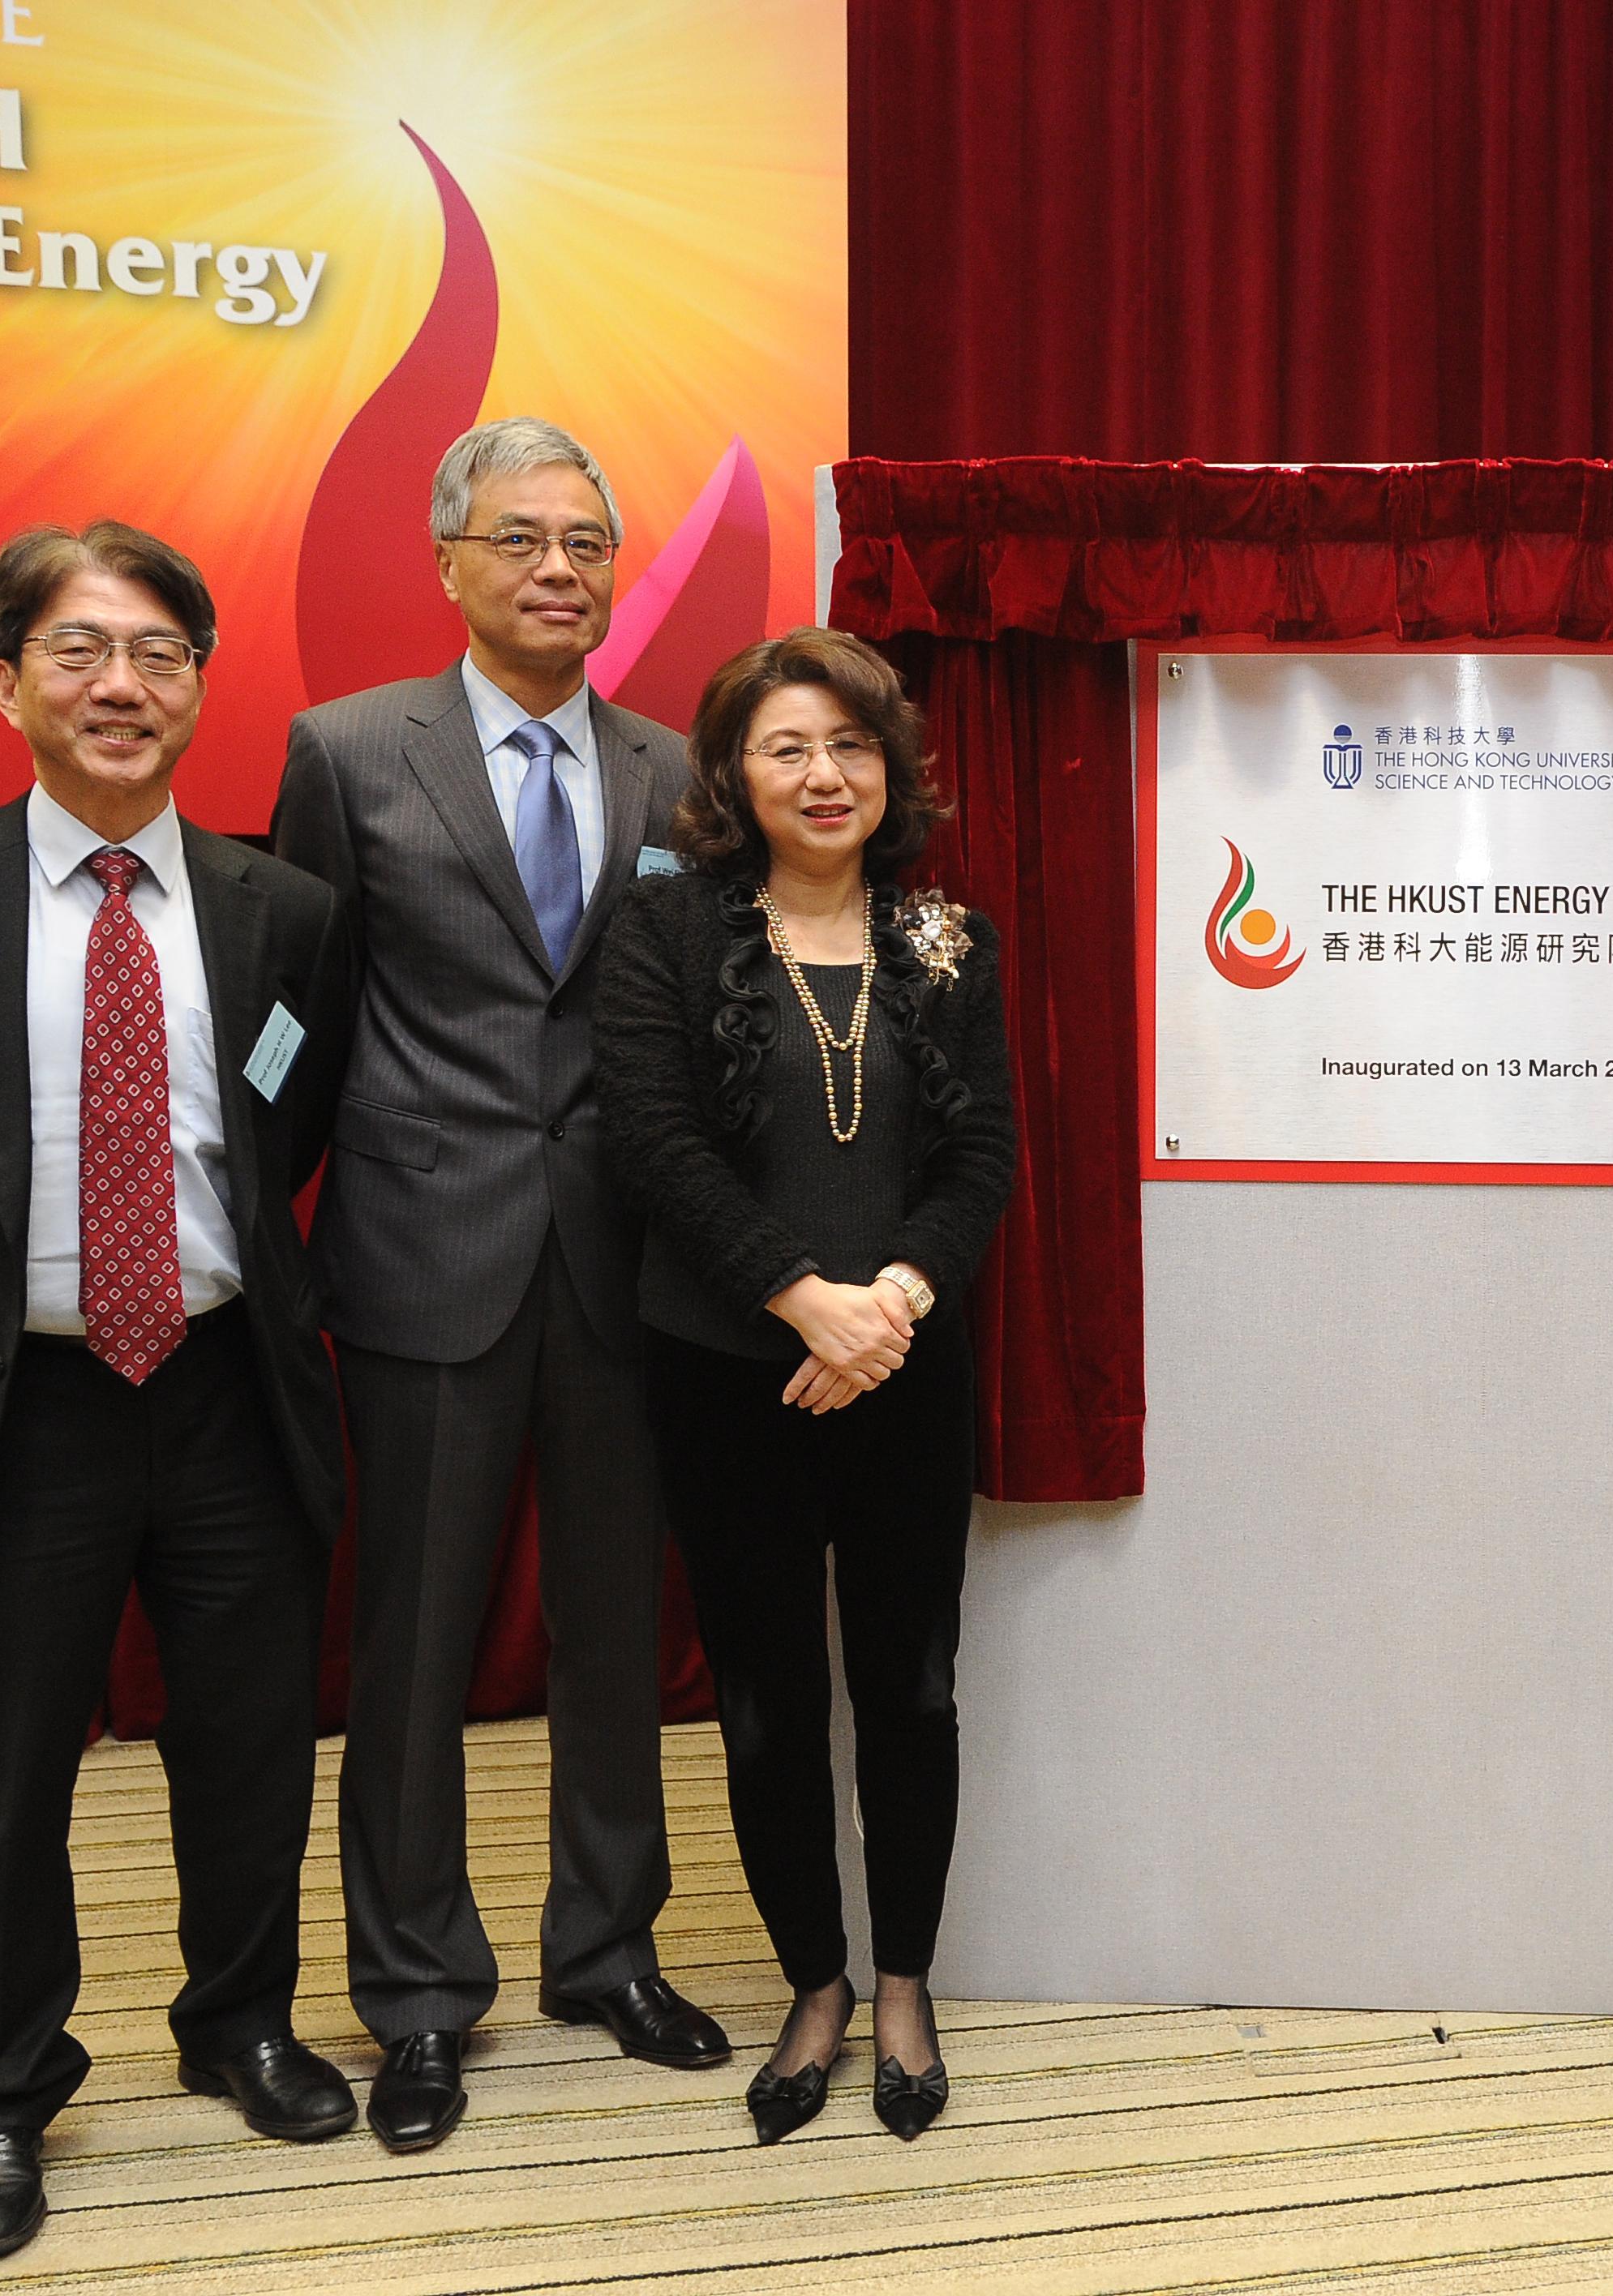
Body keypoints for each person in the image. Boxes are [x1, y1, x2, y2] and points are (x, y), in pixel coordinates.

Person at [0, 522, 356, 2264]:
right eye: (79, 651)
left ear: (201, 683)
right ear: (6, 678)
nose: (122, 686)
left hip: (224, 1390)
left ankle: (241, 2025)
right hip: (10, 1401)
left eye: (161, 655)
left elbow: (286, 1133)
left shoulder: (286, 910)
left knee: (253, 1748)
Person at [271, 418, 719, 2152]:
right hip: (418, 1247)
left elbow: (672, 1030)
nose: (559, 568)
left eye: (589, 543)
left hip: (621, 1265)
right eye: (523, 539)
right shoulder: (345, 750)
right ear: (448, 561)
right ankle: (416, 1996)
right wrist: (271, 1220)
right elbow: (297, 1007)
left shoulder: (671, 766)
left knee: (616, 1630)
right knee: (415, 1642)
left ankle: (606, 1951)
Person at [595, 632, 1015, 2143]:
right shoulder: (664, 930)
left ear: (888, 767)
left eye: (849, 745)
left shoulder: (944, 937)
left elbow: (981, 1160)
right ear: (732, 773)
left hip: (905, 1371)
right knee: (767, 1703)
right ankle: (817, 1984)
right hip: (728, 1378)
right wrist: (803, 1303)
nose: (824, 775)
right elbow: (653, 1145)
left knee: (910, 1691)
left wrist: (888, 1305)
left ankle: (903, 1980)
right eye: (787, 747)